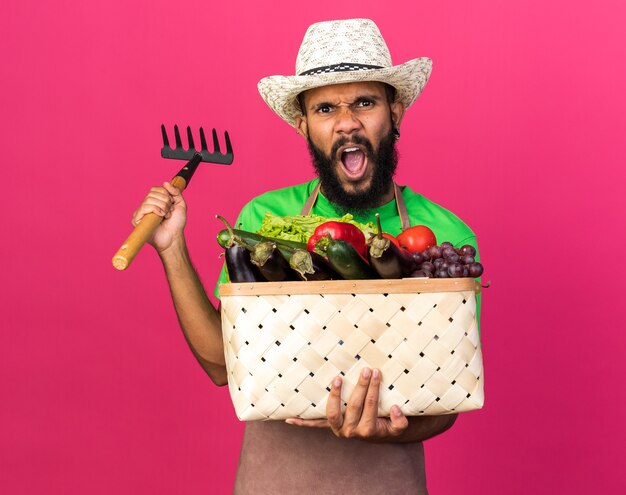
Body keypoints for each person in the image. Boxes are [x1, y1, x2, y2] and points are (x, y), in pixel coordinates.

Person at [133, 18, 479, 494]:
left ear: (394, 111)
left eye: (365, 101)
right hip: (274, 479)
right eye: (324, 108)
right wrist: (172, 249)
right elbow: (220, 364)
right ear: (304, 125)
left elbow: (447, 399)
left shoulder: (442, 237)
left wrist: (386, 428)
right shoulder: (263, 219)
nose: (346, 121)